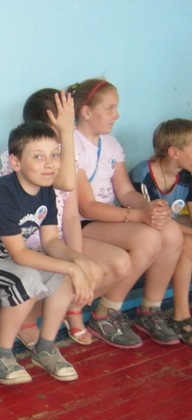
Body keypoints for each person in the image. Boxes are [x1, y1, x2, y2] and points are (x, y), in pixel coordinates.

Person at [0, 121, 99, 385]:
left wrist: (79, 261)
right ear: (15, 162)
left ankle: (45, 347)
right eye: (38, 157)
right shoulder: (2, 193)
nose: (49, 164)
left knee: (62, 276)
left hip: (2, 256)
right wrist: (72, 266)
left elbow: (51, 241)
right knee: (25, 278)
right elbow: (20, 255)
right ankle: (0, 356)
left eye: (54, 155)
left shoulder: (46, 191)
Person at [0, 90, 131, 348]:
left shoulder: (67, 155)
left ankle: (69, 309)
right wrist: (75, 265)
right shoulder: (20, 158)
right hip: (24, 245)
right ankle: (28, 320)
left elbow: (70, 215)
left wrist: (77, 257)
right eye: (64, 124)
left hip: (54, 241)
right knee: (77, 272)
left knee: (118, 264)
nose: (70, 129)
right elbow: (65, 183)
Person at [70, 79, 183, 348]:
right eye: (110, 108)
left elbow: (124, 191)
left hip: (108, 218)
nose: (116, 115)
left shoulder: (110, 143)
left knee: (170, 231)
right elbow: (86, 207)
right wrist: (139, 217)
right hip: (80, 223)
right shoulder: (71, 143)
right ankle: (105, 313)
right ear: (86, 112)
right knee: (148, 238)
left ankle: (150, 309)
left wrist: (149, 207)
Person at [130, 118, 192, 345]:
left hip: (172, 230)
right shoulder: (144, 174)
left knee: (186, 241)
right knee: (185, 241)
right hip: (143, 230)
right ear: (174, 152)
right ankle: (179, 314)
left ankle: (180, 314)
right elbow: (154, 220)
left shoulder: (187, 175)